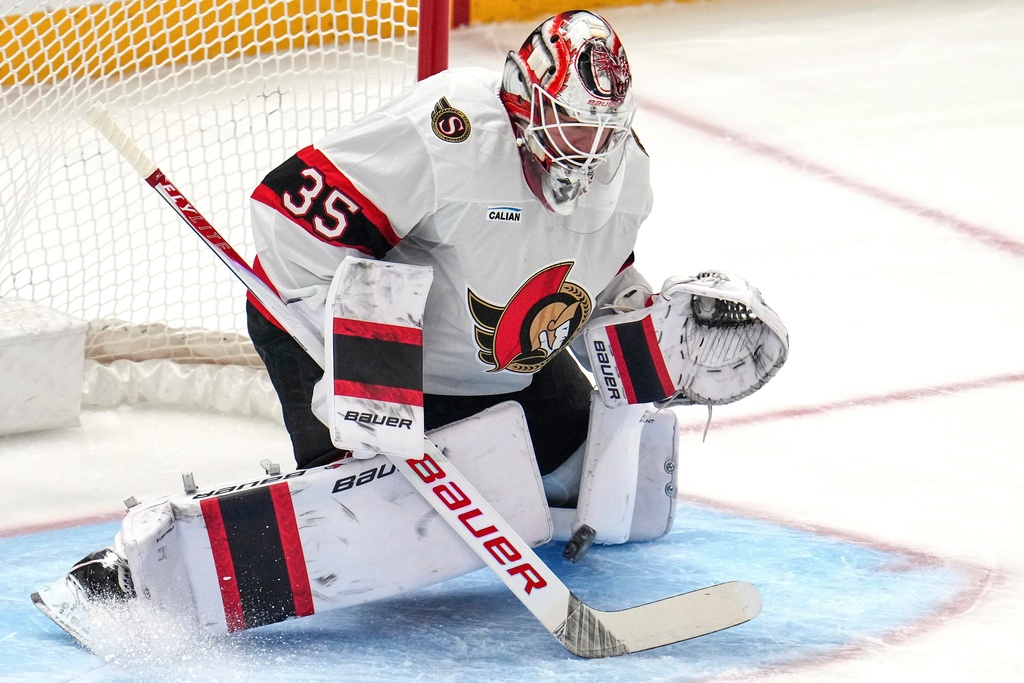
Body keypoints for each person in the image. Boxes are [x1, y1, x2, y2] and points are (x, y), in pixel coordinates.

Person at [34, 11, 787, 645]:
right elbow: (283, 213)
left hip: (498, 360)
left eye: (602, 131)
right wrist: (366, 368)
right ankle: (135, 571)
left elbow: (597, 280)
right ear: (524, 99)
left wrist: (645, 334)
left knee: (615, 500)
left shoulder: (628, 177)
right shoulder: (448, 133)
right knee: (364, 528)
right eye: (567, 124)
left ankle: (457, 459)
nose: (586, 152)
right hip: (352, 341)